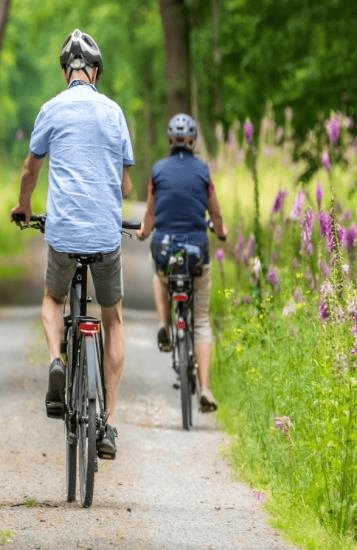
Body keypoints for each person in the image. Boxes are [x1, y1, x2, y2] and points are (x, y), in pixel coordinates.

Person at [10, 29, 134, 459]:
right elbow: (125, 179)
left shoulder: (50, 109)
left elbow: (30, 170)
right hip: (104, 234)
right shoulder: (114, 113)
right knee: (113, 317)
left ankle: (56, 361)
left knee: (52, 299)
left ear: (67, 73)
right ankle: (109, 425)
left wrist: (24, 208)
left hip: (62, 233)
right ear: (95, 72)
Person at [135, 113, 226, 412]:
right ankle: (205, 389)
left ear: (170, 141)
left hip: (165, 249)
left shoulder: (158, 171)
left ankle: (164, 324)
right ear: (193, 140)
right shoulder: (203, 171)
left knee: (159, 274)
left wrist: (144, 232)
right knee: (200, 321)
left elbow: (150, 214)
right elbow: (215, 213)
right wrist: (221, 232)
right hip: (196, 252)